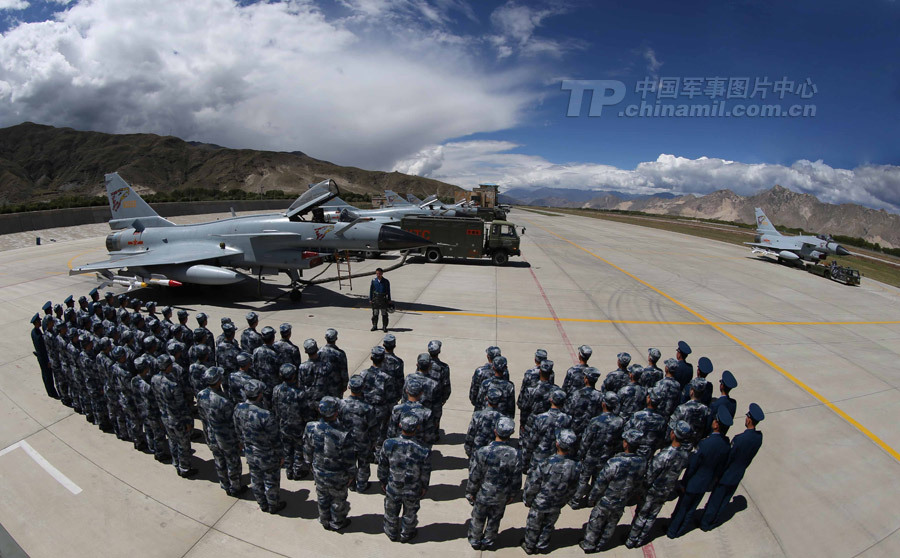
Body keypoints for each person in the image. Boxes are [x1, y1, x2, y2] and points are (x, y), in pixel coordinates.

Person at [666, 405, 733, 538]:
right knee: (691, 509)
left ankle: (672, 531)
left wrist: (684, 483)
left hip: (693, 482)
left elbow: (693, 465)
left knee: (683, 507)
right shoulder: (726, 445)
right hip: (706, 482)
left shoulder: (705, 444)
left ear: (716, 425)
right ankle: (681, 530)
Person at [626, 421, 693, 548]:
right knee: (652, 516)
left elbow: (650, 475)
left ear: (673, 434)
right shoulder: (685, 455)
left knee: (642, 514)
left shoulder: (664, 456)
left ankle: (631, 539)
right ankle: (640, 539)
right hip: (666, 491)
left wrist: (640, 490)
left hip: (652, 491)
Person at [579, 429, 647, 553]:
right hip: (622, 501)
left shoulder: (615, 462)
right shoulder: (642, 462)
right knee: (611, 523)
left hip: (606, 500)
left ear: (626, 444)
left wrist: (592, 498)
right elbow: (638, 483)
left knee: (596, 522)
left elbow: (600, 483)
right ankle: (601, 544)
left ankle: (588, 545)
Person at [700, 403, 764, 530]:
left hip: (727, 474)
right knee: (724, 500)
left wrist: (718, 473)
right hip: (738, 473)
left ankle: (705, 523)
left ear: (749, 419)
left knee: (716, 499)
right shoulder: (758, 438)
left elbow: (729, 458)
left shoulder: (739, 439)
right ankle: (714, 521)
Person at [466, 417, 523, 550]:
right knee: (494, 519)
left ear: (495, 431)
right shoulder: (516, 454)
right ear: (511, 433)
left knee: (478, 518)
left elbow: (474, 476)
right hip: (501, 495)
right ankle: (488, 540)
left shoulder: (483, 452)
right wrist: (512, 494)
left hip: (483, 493)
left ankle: (475, 540)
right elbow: (516, 478)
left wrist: (470, 492)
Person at [521, 429, 581, 555]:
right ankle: (541, 545)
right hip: (557, 502)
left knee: (534, 524)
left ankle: (529, 545)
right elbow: (573, 488)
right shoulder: (576, 466)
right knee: (548, 525)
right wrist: (564, 500)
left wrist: (528, 499)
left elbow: (533, 485)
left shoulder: (545, 463)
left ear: (557, 443)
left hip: (540, 502)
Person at [304, 396, 356, 531]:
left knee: (322, 496)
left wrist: (309, 463)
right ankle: (337, 522)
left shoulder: (311, 427)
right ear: (336, 412)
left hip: (319, 470)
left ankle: (324, 519)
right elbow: (349, 458)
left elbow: (307, 448)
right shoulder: (343, 433)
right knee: (338, 499)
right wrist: (352, 474)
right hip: (337, 474)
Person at [234, 379, 285, 513]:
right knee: (271, 481)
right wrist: (280, 455)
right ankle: (273, 505)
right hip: (267, 454)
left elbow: (238, 430)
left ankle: (262, 503)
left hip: (250, 452)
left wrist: (242, 443)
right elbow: (275, 439)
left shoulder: (238, 408)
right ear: (259, 395)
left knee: (256, 479)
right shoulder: (265, 415)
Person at [379, 414, 432, 542]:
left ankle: (391, 532)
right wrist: (424, 487)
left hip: (393, 485)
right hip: (413, 488)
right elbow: (425, 472)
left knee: (391, 511)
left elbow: (383, 465)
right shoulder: (423, 449)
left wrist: (383, 481)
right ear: (417, 428)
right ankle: (406, 534)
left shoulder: (389, 444)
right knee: (410, 513)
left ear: (400, 425)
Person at [196, 367, 245, 496]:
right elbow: (232, 423)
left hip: (211, 435)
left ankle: (225, 484)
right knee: (232, 462)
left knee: (219, 461)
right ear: (218, 381)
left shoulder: (201, 395)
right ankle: (235, 487)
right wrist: (239, 440)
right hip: (226, 438)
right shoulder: (223, 401)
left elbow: (202, 416)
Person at [571, 392, 623, 509]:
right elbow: (619, 442)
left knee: (584, 478)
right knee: (598, 479)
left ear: (604, 404)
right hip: (606, 455)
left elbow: (586, 440)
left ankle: (576, 500)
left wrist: (581, 454)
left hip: (592, 455)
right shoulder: (619, 422)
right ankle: (591, 500)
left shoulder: (596, 420)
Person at [151, 354, 197, 477]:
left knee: (172, 440)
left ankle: (176, 462)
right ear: (167, 367)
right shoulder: (173, 385)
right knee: (183, 444)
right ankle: (184, 468)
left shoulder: (154, 379)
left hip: (165, 417)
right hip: (177, 420)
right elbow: (181, 406)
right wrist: (187, 421)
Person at [272, 363, 310, 480]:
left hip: (283, 425)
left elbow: (274, 406)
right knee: (298, 449)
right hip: (298, 426)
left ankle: (289, 471)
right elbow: (305, 411)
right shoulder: (300, 392)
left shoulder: (276, 390)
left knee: (287, 449)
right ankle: (297, 471)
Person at [340, 374, 379, 491]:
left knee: (348, 464)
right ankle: (362, 485)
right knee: (364, 464)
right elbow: (373, 427)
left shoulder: (341, 404)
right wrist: (373, 442)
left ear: (349, 387)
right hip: (363, 441)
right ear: (362, 387)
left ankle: (351, 484)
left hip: (346, 441)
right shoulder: (368, 407)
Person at [525, 389, 572, 468]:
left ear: (551, 400)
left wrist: (526, 458)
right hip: (557, 459)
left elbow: (532, 440)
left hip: (539, 457)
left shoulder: (540, 418)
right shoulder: (567, 418)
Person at [465, 387, 504, 458]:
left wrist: (468, 449)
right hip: (495, 454)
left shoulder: (477, 415)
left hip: (477, 451)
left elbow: (471, 434)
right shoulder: (502, 418)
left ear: (486, 398)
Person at [425, 340, 451, 435]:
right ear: (439, 351)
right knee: (435, 421)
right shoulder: (444, 367)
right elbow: (446, 385)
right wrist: (443, 399)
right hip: (436, 400)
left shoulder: (422, 363)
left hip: (423, 399)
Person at [31, 313, 59, 399]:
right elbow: (43, 350)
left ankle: (50, 391)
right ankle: (51, 392)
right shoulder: (38, 336)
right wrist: (48, 361)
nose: (40, 322)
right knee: (48, 376)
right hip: (43, 358)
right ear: (36, 322)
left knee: (46, 375)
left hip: (40, 357)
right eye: (39, 321)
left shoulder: (34, 332)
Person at [319, 328, 349, 397]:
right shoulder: (340, 354)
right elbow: (344, 372)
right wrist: (345, 385)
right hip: (336, 387)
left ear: (325, 338)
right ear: (336, 338)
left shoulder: (319, 351)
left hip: (322, 385)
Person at [370, 267, 392, 332]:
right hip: (376, 299)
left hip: (383, 299)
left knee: (384, 313)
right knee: (375, 313)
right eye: (377, 273)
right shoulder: (374, 281)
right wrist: (370, 299)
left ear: (382, 273)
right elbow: (371, 290)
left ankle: (384, 326)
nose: (378, 275)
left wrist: (389, 299)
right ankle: (375, 325)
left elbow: (388, 291)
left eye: (379, 273)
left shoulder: (386, 281)